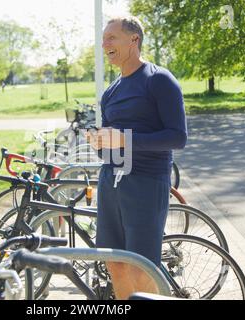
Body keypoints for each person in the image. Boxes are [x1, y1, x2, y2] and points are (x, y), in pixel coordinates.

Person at [86, 17, 187, 299]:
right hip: (110, 182)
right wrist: (99, 142)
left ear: (134, 40)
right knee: (115, 264)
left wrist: (125, 139)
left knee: (142, 268)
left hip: (146, 183)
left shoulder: (159, 80)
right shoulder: (111, 92)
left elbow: (178, 137)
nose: (104, 44)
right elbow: (110, 148)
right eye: (103, 38)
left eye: (111, 37)